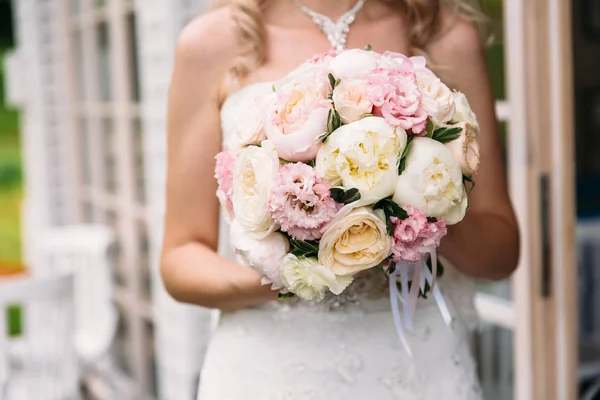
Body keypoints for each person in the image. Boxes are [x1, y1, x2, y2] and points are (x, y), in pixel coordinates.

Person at [161, 0, 520, 398]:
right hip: (268, 372)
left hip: (417, 369)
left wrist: (414, 207)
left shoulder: (445, 35)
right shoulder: (211, 43)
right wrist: (296, 270)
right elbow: (180, 258)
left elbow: (501, 254)